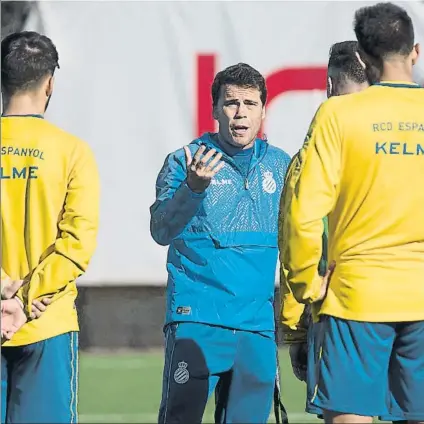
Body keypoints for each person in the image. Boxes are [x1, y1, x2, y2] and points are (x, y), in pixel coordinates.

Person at [279, 2, 423, 423]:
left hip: (356, 297)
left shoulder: (337, 115)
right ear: (415, 52)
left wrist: (307, 284)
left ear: (361, 56)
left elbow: (304, 214)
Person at [150, 62, 291, 423]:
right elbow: (161, 230)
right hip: (197, 321)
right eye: (231, 103)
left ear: (263, 109)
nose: (240, 112)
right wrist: (192, 189)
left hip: (256, 327)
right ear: (215, 110)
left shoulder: (281, 165)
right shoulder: (184, 161)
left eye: (250, 103)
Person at [1, 31, 100, 424]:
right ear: (50, 82)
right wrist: (26, 300)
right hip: (46, 320)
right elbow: (76, 242)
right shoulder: (71, 150)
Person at [280, 39, 370, 419]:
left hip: (344, 303)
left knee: (349, 411)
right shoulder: (405, 139)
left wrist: (296, 324)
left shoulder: (318, 146)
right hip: (411, 300)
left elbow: (299, 230)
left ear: (330, 85)